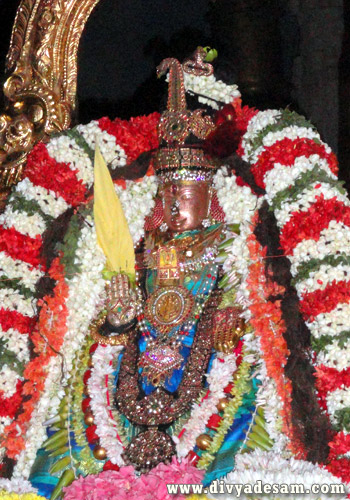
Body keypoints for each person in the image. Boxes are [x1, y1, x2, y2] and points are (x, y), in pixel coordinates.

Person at [0, 49, 349, 499]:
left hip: (217, 371)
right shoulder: (142, 245)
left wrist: (231, 320)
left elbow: (256, 308)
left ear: (212, 194)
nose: (176, 204)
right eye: (168, 192)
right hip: (130, 374)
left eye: (187, 192)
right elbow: (105, 329)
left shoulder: (233, 239)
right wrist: (116, 323)